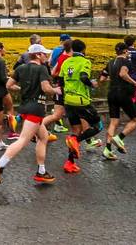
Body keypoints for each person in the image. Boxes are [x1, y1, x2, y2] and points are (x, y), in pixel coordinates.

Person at [0, 44, 60, 185]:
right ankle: (0, 165)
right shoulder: (42, 69)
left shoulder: (21, 68)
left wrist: (23, 89)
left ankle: (41, 171)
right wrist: (56, 90)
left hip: (25, 107)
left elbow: (8, 85)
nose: (47, 56)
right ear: (38, 55)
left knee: (43, 137)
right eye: (44, 54)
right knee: (23, 140)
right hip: (36, 108)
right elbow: (46, 88)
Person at [57, 39, 103, 174]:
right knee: (98, 126)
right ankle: (75, 140)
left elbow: (60, 81)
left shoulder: (66, 62)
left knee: (76, 130)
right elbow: (83, 77)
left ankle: (69, 163)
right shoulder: (85, 61)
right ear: (83, 50)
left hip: (68, 101)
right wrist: (91, 84)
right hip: (81, 101)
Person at [100, 41, 136, 160]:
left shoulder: (110, 62)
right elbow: (123, 74)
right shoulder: (126, 61)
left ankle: (107, 149)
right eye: (127, 51)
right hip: (122, 93)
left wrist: (113, 79)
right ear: (124, 51)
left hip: (111, 93)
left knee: (114, 122)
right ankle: (119, 138)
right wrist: (135, 83)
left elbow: (102, 78)